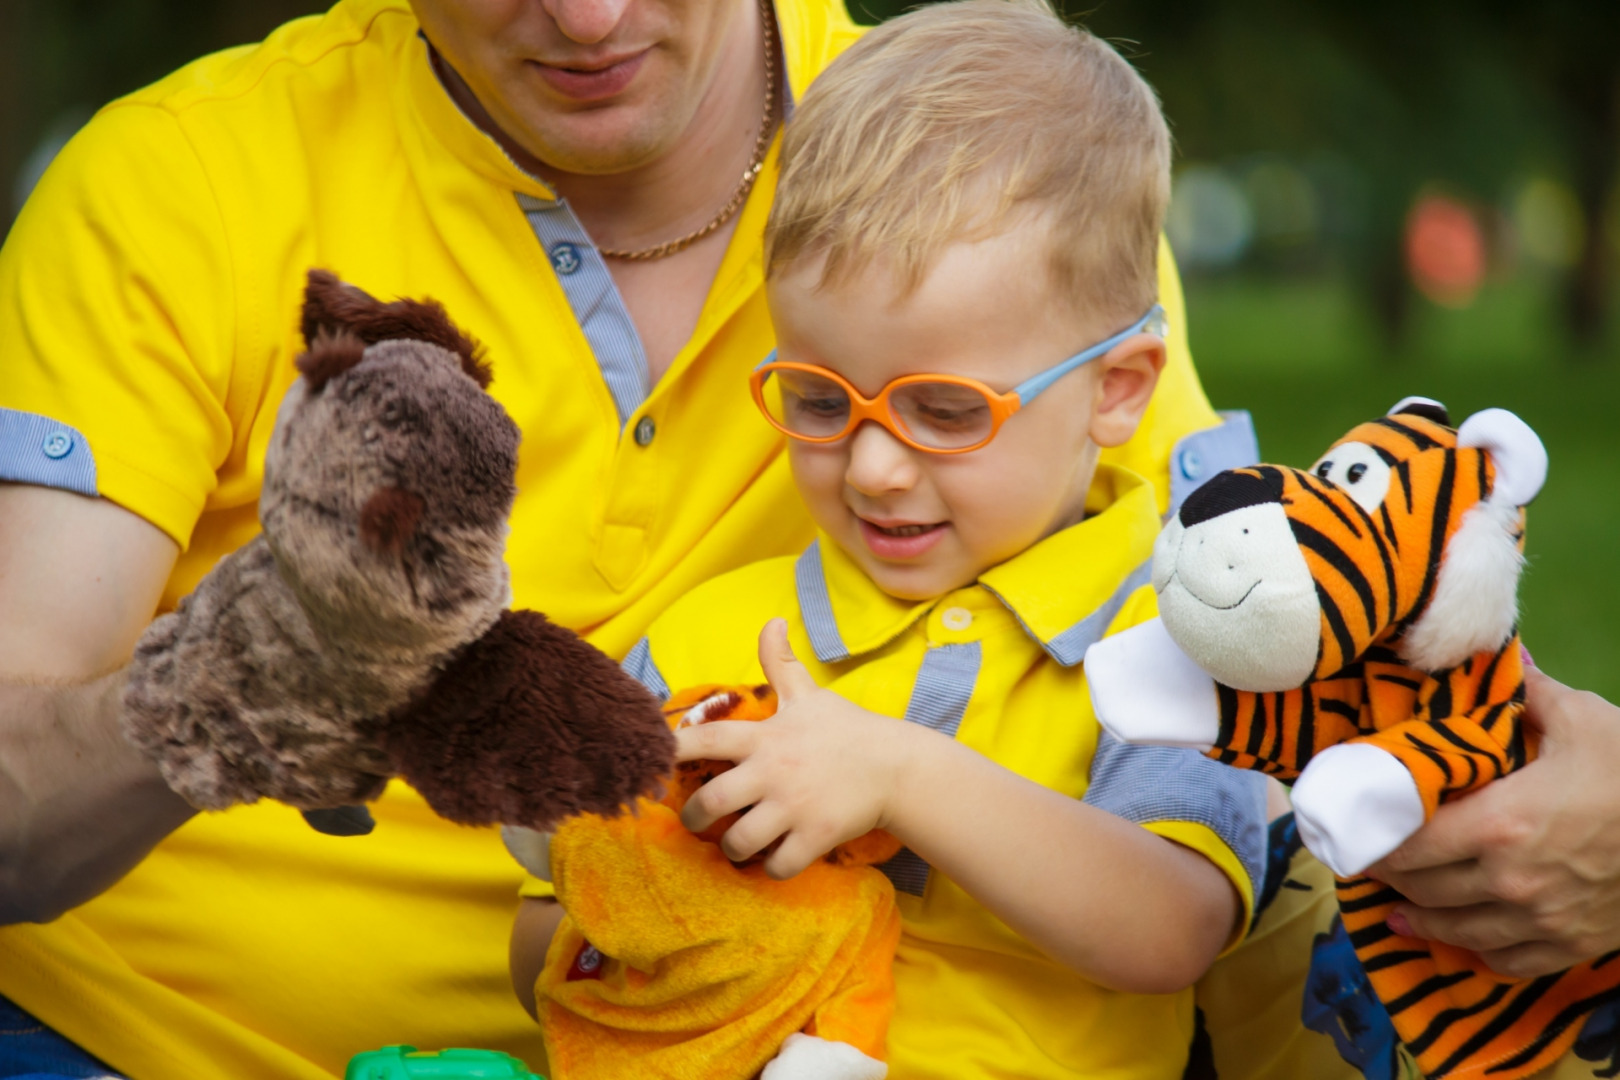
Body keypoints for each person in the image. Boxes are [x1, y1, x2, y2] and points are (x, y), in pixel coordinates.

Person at [0, 0, 1252, 1075]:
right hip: (137, 1039)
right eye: (819, 401)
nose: (590, 18)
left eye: (938, 411)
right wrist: (249, 676)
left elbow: (1282, 653)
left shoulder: (998, 165)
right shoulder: (180, 182)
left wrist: (1445, 817)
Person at [511, 6, 1270, 1075]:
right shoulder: (720, 634)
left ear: (1118, 391)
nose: (872, 469)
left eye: (948, 413)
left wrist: (899, 777)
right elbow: (544, 927)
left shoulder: (1174, 633)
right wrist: (676, 915)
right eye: (820, 400)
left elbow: (1175, 925)